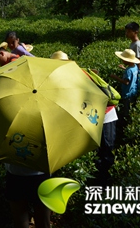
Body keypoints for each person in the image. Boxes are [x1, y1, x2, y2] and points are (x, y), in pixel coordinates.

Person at [52, 50, 117, 186]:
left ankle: (105, 182)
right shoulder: (67, 77)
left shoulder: (78, 76)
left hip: (105, 115)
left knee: (106, 149)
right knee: (96, 150)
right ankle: (98, 179)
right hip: (91, 116)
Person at [110, 49, 139, 123]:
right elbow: (131, 74)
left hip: (127, 93)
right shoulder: (134, 67)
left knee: (127, 110)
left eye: (123, 59)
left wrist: (116, 77)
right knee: (131, 108)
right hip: (133, 91)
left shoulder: (128, 70)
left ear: (128, 60)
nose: (122, 60)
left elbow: (126, 82)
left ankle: (126, 124)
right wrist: (124, 68)